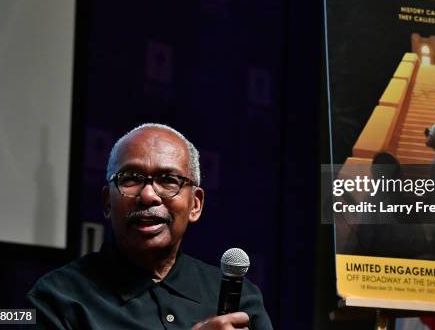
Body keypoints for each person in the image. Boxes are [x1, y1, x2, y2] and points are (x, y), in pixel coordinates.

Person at [27, 123, 272, 329]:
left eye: (168, 180)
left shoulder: (241, 301)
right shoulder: (58, 299)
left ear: (195, 205)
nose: (148, 195)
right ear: (107, 203)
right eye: (131, 178)